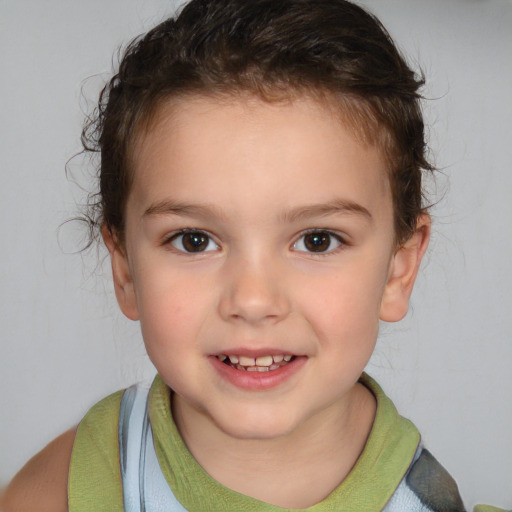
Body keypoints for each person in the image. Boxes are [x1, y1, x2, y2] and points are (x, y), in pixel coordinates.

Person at [0, 0, 505, 511]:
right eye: (194, 240)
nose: (253, 300)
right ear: (126, 268)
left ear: (399, 268)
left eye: (317, 240)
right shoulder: (58, 495)